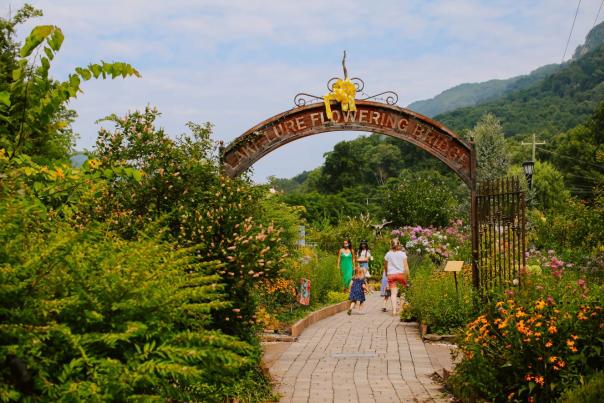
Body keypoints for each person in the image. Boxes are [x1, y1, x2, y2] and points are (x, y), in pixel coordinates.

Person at [383, 238, 410, 316]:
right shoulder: (402, 254)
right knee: (403, 292)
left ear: (391, 245)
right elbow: (406, 266)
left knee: (393, 293)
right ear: (399, 244)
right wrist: (408, 276)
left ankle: (394, 310)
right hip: (401, 274)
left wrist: (386, 273)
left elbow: (385, 266)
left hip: (391, 275)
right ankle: (401, 309)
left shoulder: (388, 254)